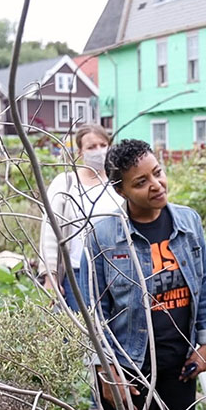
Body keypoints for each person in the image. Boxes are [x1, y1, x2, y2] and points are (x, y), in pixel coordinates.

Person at [79, 139, 206, 410]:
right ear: (120, 189)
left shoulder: (188, 221)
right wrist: (105, 371)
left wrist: (205, 343)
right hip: (125, 373)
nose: (156, 185)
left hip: (177, 367)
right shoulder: (103, 236)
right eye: (140, 182)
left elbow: (204, 284)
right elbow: (92, 310)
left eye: (158, 173)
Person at [38, 124, 123, 311]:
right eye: (91, 147)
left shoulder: (118, 183)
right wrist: (50, 277)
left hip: (117, 271)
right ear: (80, 152)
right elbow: (50, 232)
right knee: (86, 331)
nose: (99, 151)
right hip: (77, 274)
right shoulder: (66, 183)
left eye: (103, 145)